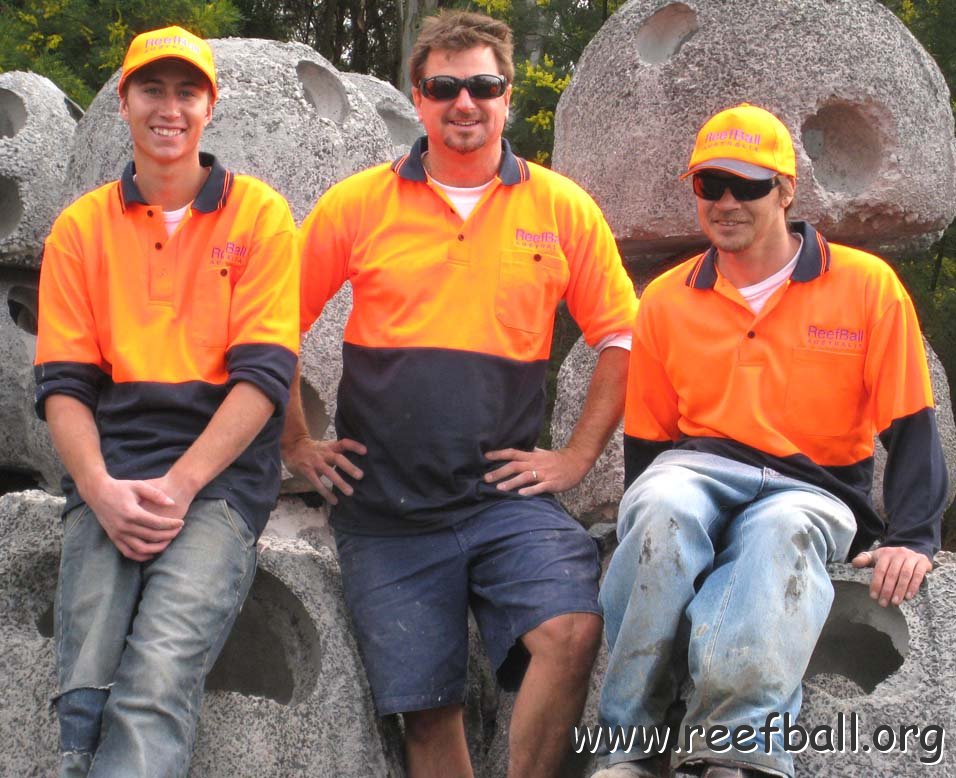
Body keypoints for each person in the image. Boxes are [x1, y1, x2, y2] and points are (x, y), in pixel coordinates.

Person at [282, 10, 637, 777]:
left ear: (508, 96)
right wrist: (293, 444)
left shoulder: (561, 208)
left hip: (504, 500)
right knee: (427, 710)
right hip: (386, 512)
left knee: (572, 631)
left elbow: (622, 338)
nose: (464, 102)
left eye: (483, 85)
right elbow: (269, 326)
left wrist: (576, 457)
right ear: (418, 97)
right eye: (445, 87)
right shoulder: (356, 204)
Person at [592, 103, 948, 778]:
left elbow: (909, 423)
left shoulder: (866, 287)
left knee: (781, 532)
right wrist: (641, 531)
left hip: (814, 486)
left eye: (748, 186)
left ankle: (734, 751)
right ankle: (628, 746)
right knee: (661, 506)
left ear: (786, 190)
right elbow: (648, 442)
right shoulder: (666, 300)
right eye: (710, 185)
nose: (726, 202)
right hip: (698, 467)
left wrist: (914, 535)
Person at [35, 26, 299, 777]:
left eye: (188, 91)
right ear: (124, 101)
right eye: (152, 88)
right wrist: (101, 491)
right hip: (109, 476)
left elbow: (264, 381)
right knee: (85, 685)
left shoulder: (259, 218)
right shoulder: (81, 229)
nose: (170, 108)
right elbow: (63, 387)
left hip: (216, 484)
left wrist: (179, 489)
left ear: (210, 106)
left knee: (154, 677)